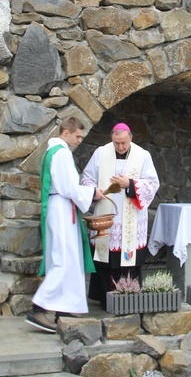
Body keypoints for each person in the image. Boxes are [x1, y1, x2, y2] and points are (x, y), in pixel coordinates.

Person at [26, 117, 97, 332]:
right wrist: (93, 192)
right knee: (63, 259)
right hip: (62, 207)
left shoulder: (52, 151)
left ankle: (64, 307)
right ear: (65, 132)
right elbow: (69, 187)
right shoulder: (62, 153)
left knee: (69, 257)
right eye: (77, 136)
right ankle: (38, 309)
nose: (79, 140)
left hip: (61, 207)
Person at [81, 122, 160, 310]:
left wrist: (130, 184)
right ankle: (103, 298)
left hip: (131, 219)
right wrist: (94, 190)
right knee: (104, 258)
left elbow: (152, 184)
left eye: (123, 142)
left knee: (128, 259)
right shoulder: (101, 153)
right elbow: (87, 177)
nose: (120, 147)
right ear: (111, 138)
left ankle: (128, 297)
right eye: (116, 143)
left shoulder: (143, 156)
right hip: (105, 217)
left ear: (131, 138)